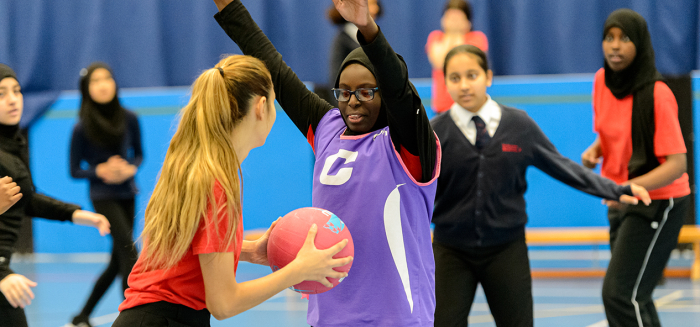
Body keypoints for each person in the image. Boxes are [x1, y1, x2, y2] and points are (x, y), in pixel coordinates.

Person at [213, 0, 440, 325]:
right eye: (344, 92)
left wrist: (367, 28)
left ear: (384, 95)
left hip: (396, 316)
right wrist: (229, 6)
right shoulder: (327, 127)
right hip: (330, 314)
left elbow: (401, 92)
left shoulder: (408, 146)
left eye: (365, 92)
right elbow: (272, 65)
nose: (352, 102)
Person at [111, 55, 351, 326]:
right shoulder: (216, 183)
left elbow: (185, 245)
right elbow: (224, 303)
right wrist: (297, 271)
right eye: (273, 102)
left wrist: (246, 250)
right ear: (261, 107)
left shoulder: (196, 165)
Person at [430, 45, 651, 327]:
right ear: (445, 82)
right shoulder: (435, 132)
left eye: (472, 75)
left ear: (488, 77)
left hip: (506, 250)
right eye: (455, 78)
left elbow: (564, 167)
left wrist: (617, 190)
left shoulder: (519, 125)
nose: (464, 85)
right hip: (451, 251)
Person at [580, 9, 690, 327]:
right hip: (620, 199)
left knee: (619, 294)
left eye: (625, 39)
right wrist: (595, 150)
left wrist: (626, 189)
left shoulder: (658, 94)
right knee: (635, 295)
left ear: (640, 44)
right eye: (609, 38)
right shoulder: (602, 81)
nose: (615, 46)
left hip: (659, 202)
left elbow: (677, 164)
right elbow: (611, 133)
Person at [0, 63, 111, 327]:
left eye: (16, 91)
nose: (13, 99)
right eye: (2, 93)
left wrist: (76, 214)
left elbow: (26, 198)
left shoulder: (13, 143)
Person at [67, 62, 143, 327]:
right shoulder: (81, 127)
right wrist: (100, 170)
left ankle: (81, 316)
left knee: (117, 259)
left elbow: (139, 154)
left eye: (107, 78)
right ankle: (131, 316)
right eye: (95, 81)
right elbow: (74, 170)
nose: (103, 84)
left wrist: (128, 169)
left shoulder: (130, 118)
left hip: (127, 192)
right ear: (87, 90)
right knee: (129, 253)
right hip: (102, 196)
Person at [426, 0, 488, 114]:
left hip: (471, 106)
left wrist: (458, 34)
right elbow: (439, 62)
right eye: (450, 17)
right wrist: (451, 35)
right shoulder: (436, 38)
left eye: (458, 18)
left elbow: (464, 62)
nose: (454, 22)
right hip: (442, 108)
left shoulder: (477, 38)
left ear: (467, 21)